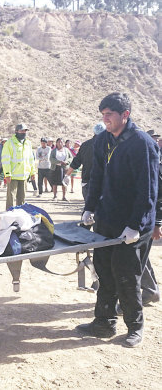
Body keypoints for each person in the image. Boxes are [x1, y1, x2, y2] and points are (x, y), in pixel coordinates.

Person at [76, 92, 159, 348]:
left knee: (127, 276)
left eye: (109, 114)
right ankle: (103, 322)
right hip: (107, 220)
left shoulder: (141, 143)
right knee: (103, 272)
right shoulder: (102, 141)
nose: (106, 119)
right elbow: (97, 176)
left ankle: (135, 327)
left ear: (125, 115)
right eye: (103, 115)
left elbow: (148, 189)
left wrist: (136, 224)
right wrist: (89, 208)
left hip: (133, 224)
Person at [64, 123, 105, 203]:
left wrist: (67, 175)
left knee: (88, 208)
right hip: (102, 183)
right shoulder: (109, 145)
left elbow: (76, 162)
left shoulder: (85, 145)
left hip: (87, 182)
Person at [1, 124, 35, 209]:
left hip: (24, 176)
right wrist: (7, 174)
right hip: (13, 176)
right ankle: (9, 216)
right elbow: (5, 160)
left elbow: (31, 159)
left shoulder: (28, 143)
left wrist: (32, 172)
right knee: (11, 198)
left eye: (25, 131)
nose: (23, 133)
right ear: (16, 131)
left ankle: (20, 217)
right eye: (21, 131)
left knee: (22, 199)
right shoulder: (9, 143)